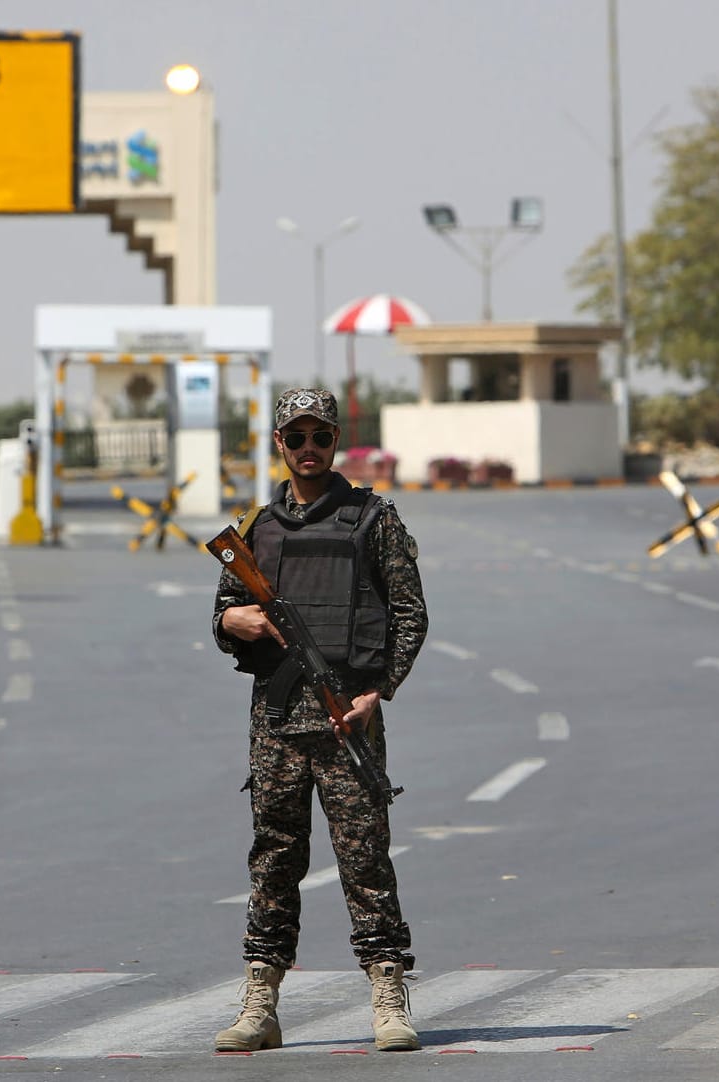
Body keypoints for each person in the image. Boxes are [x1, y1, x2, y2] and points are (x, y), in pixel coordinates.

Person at [210, 387, 428, 1053]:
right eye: (295, 438)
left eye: (320, 437)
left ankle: (388, 996)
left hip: (346, 720)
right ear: (279, 444)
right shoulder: (255, 530)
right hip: (276, 725)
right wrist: (233, 619)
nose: (308, 450)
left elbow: (409, 615)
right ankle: (261, 1002)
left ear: (336, 441)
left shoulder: (372, 520)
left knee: (364, 861)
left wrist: (377, 693)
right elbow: (222, 608)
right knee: (274, 859)